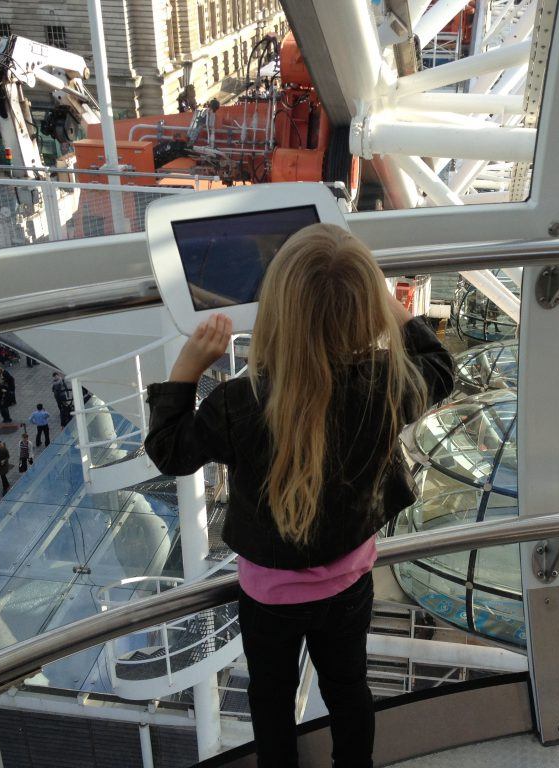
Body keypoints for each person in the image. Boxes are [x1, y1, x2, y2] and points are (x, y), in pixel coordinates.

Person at [144, 224, 455, 768]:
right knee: (348, 689)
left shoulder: (239, 404)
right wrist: (392, 307)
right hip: (349, 581)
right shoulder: (387, 384)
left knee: (270, 697)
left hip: (269, 595)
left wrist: (187, 369)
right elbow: (441, 369)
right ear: (368, 314)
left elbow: (168, 450)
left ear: (277, 311)